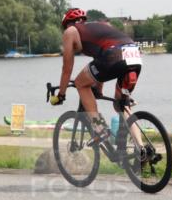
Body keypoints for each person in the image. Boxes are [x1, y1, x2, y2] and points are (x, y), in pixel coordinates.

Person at [51, 8, 144, 148]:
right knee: (121, 105)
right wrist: (98, 90)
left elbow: (67, 68)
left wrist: (61, 94)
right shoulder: (100, 27)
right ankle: (142, 149)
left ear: (68, 23)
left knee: (80, 84)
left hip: (114, 55)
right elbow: (99, 63)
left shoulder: (70, 31)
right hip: (134, 55)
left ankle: (99, 130)